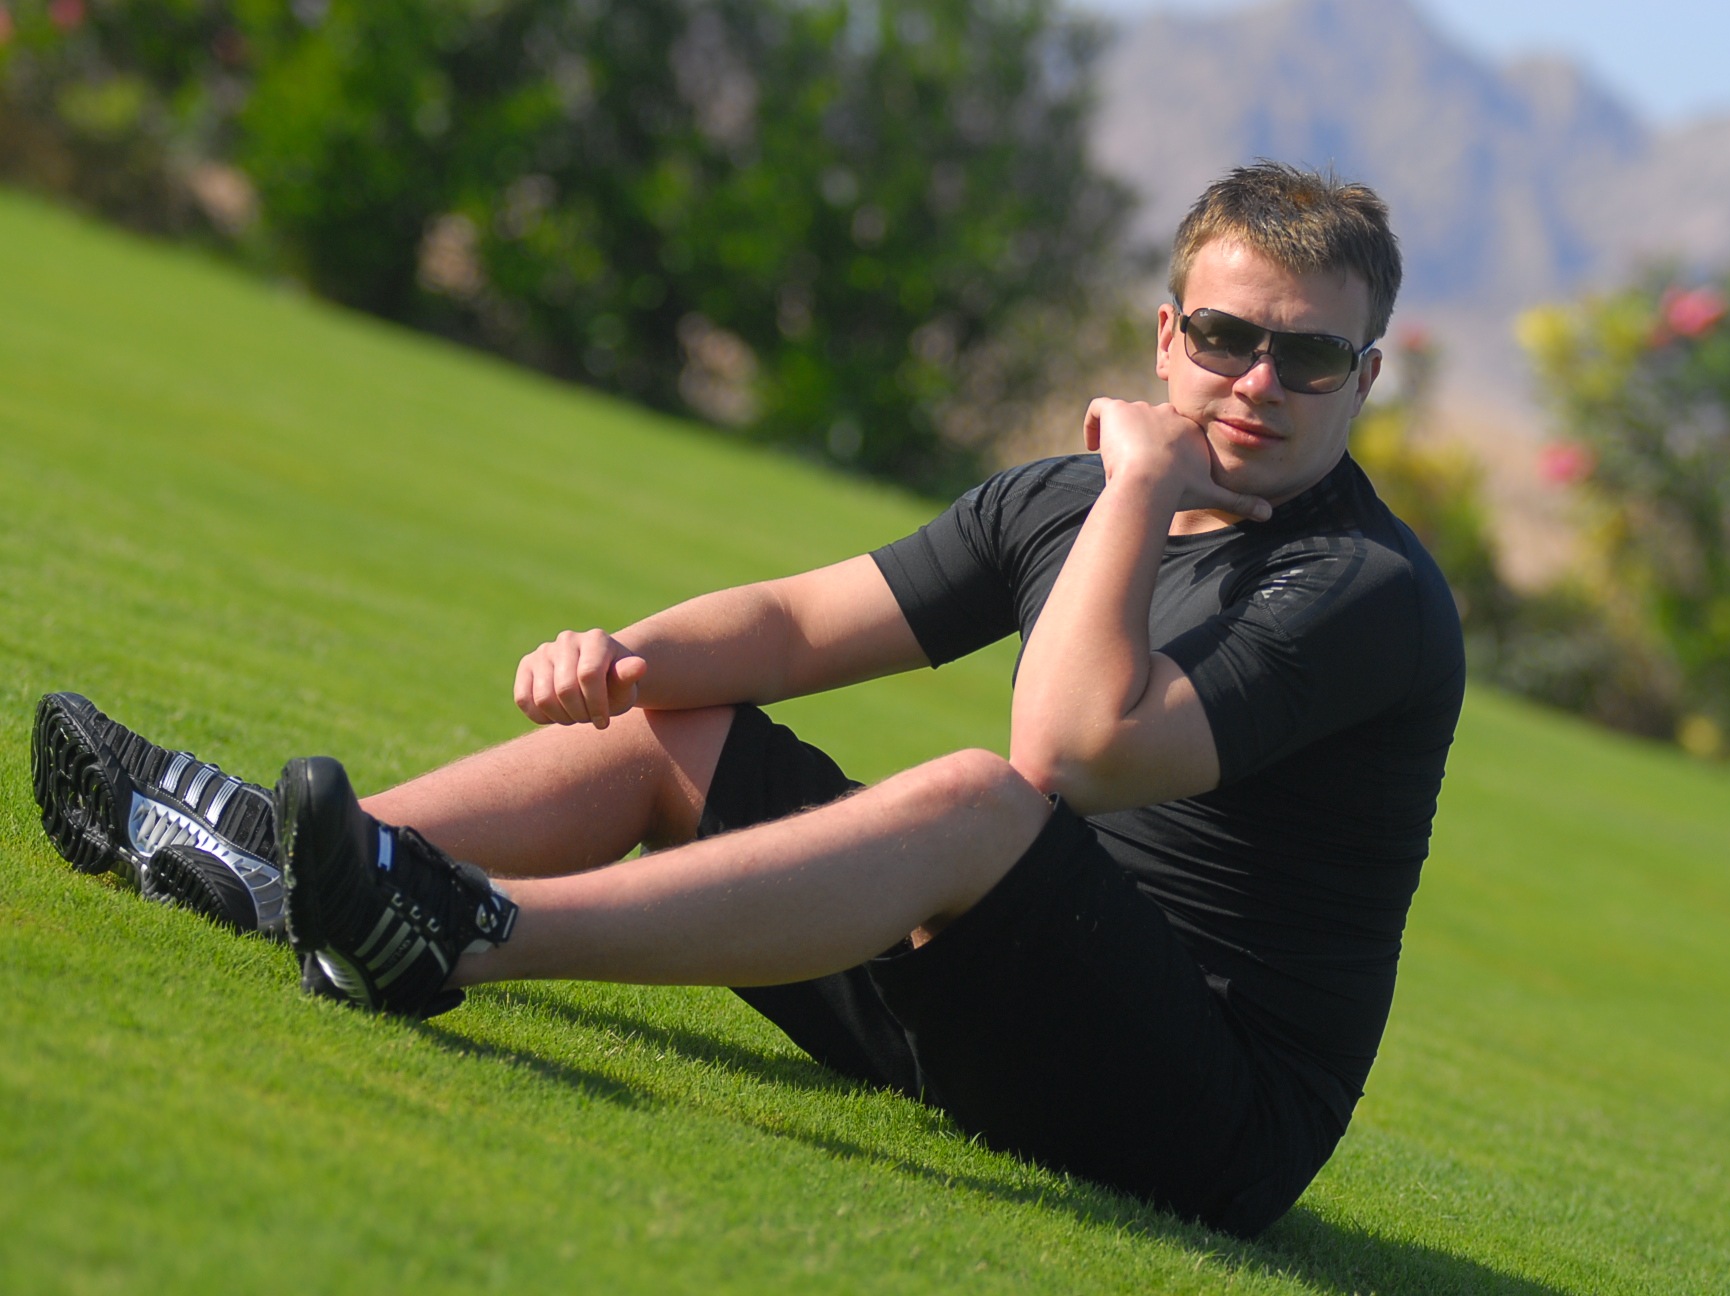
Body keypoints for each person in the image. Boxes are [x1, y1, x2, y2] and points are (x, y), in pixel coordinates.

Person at [30, 162, 1463, 1239]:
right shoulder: (1058, 502)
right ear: (1165, 337)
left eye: (1308, 358)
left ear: (1364, 380)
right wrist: (625, 657)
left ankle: (467, 935)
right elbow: (790, 627)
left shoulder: (1364, 589)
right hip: (978, 1007)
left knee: (982, 795)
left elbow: (1074, 749)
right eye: (1225, 337)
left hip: (1199, 1115)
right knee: (673, 729)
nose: (1257, 383)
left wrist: (1143, 480)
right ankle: (294, 870)